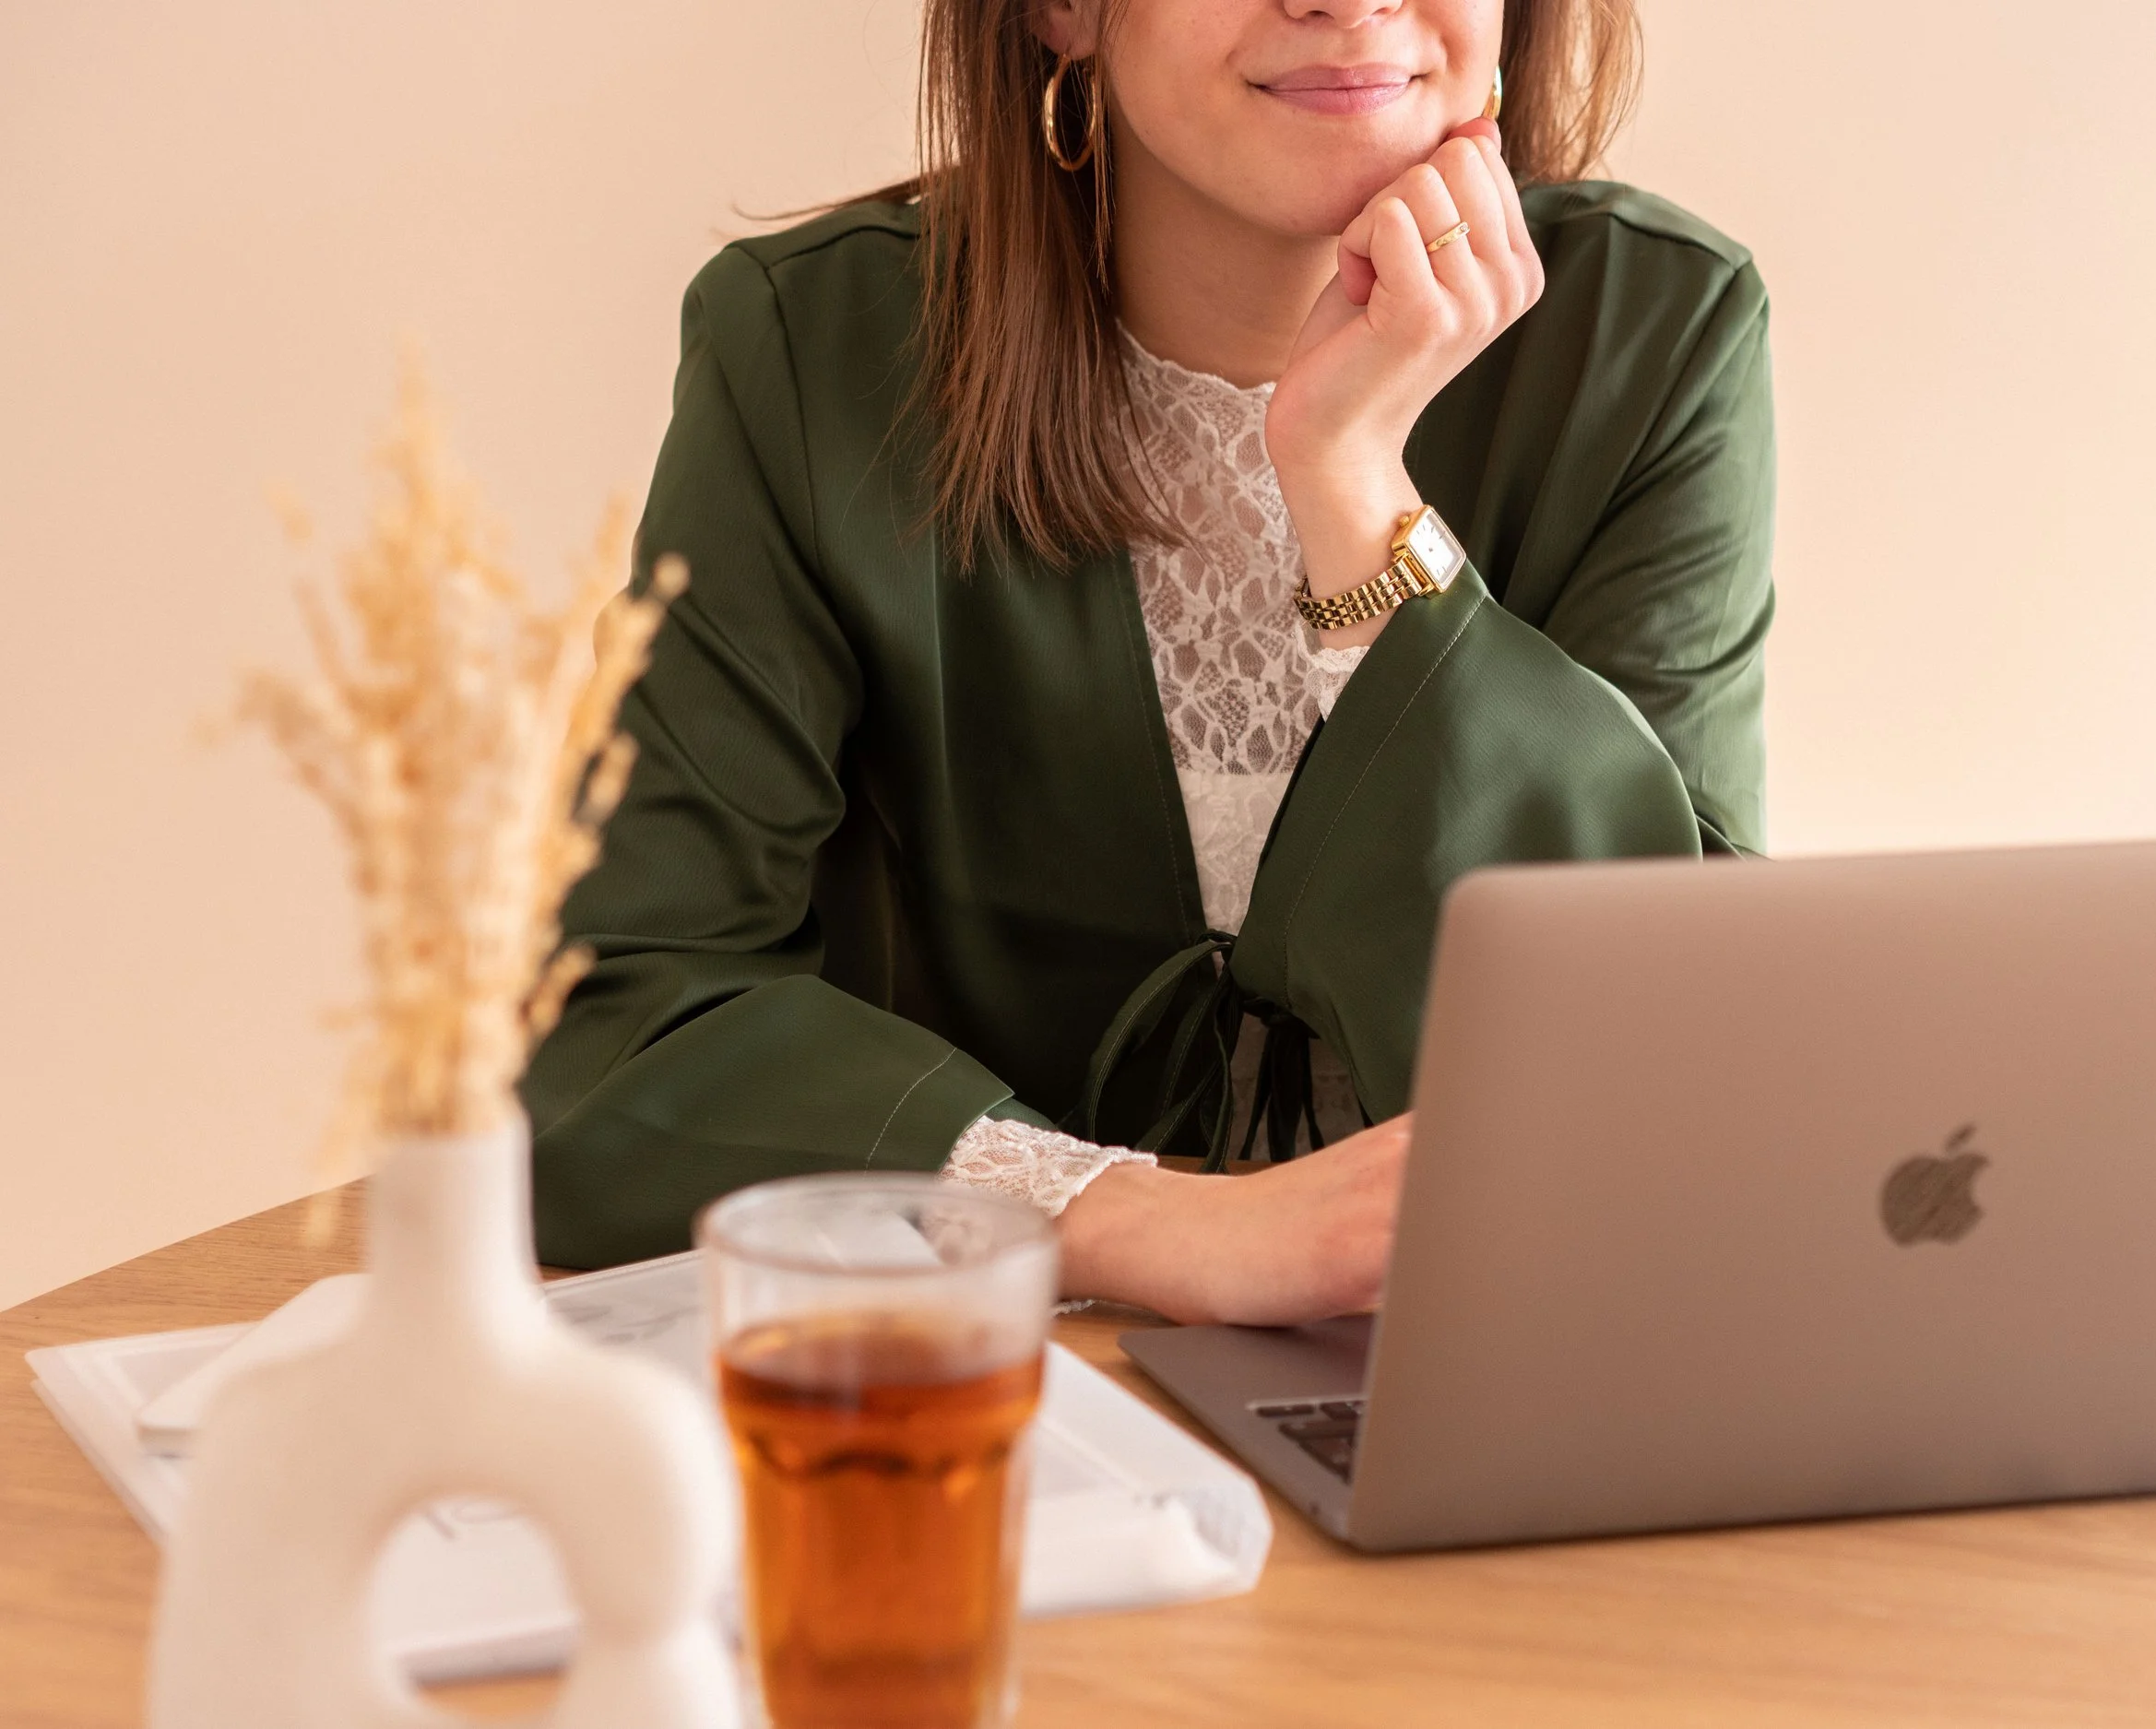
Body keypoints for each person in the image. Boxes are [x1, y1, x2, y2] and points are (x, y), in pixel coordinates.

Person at [521, 0, 1773, 1327]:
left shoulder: (1654, 335)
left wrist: (1355, 497)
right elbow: (619, 1026)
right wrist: (1132, 1221)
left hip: (1503, 1386)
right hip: (985, 1415)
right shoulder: (811, 349)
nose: (1348, 0)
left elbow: (1656, 1095)